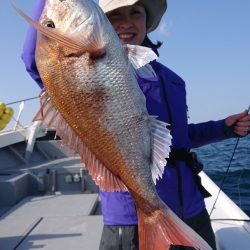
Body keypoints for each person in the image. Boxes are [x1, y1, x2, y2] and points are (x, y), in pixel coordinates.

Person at [21, 0, 250, 249]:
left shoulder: (171, 79)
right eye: (115, 15)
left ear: (147, 21)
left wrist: (224, 127)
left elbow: (179, 138)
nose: (127, 22)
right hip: (129, 217)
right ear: (101, 19)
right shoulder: (75, 61)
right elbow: (35, 60)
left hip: (191, 208)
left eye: (135, 13)